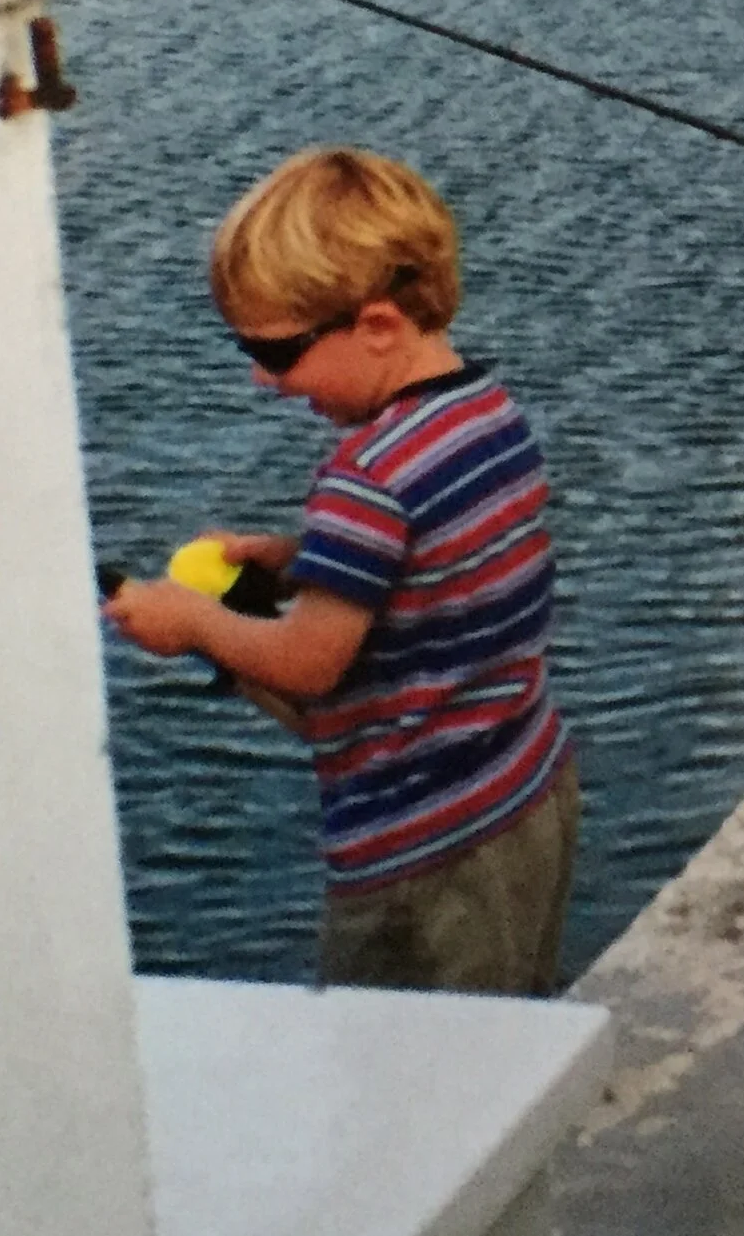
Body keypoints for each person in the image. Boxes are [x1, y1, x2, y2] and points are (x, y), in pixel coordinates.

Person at [102, 146, 577, 997]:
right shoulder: (488, 412)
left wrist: (193, 622)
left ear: (379, 325)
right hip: (526, 791)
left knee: (402, 1080)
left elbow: (309, 666)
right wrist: (301, 562)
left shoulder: (364, 477)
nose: (259, 377)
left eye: (275, 352)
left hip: (424, 853)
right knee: (510, 1037)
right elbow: (439, 565)